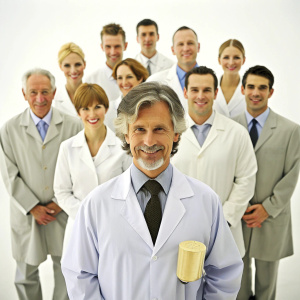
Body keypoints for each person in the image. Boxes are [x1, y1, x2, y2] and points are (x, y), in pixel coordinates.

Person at [61, 81, 243, 300]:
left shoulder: (205, 201)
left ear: (176, 133)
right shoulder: (96, 204)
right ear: (126, 135)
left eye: (159, 129)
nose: (149, 141)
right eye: (139, 129)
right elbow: (80, 275)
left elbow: (224, 273)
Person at [0, 68, 82, 300]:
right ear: (24, 94)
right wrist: (32, 207)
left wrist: (59, 203)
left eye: (45, 91)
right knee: (25, 274)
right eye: (33, 92)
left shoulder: (73, 126)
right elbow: (9, 175)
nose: (39, 98)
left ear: (54, 92)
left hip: (62, 212)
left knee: (66, 271)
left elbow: (79, 169)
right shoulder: (9, 129)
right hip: (26, 215)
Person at [172, 66, 257, 256]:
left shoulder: (236, 133)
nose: (200, 96)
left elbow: (246, 180)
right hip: (177, 229)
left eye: (207, 90)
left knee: (224, 283)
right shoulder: (169, 132)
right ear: (185, 92)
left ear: (215, 93)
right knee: (181, 283)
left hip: (224, 232)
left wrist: (224, 220)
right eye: (194, 90)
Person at [234, 65, 300, 300]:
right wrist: (235, 206)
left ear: (271, 92)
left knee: (266, 288)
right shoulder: (230, 127)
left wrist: (267, 208)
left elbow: (291, 176)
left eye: (262, 88)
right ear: (242, 89)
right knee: (237, 285)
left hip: (270, 218)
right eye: (251, 86)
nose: (255, 92)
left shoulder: (291, 130)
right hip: (238, 217)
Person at [54, 83, 131, 251]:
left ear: (106, 108)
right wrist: (86, 215)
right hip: (79, 228)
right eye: (85, 109)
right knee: (80, 274)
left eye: (97, 107)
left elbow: (131, 191)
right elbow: (62, 192)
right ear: (78, 112)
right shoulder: (67, 148)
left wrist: (108, 216)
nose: (92, 114)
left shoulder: (122, 148)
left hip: (114, 226)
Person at [147, 26, 200, 111]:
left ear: (198, 47)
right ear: (173, 50)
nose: (186, 48)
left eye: (190, 43)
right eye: (180, 44)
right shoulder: (155, 81)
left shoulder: (212, 81)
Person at [86, 23, 128, 101]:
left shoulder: (138, 77)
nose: (113, 52)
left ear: (125, 46)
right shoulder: (91, 81)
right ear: (102, 47)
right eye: (108, 46)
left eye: (117, 46)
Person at [105, 58, 148, 131]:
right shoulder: (109, 109)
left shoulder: (151, 105)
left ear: (140, 78)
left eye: (129, 77)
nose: (124, 82)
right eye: (120, 78)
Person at [213, 39, 246, 118]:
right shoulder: (209, 86)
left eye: (236, 57)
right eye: (226, 57)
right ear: (219, 60)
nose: (231, 62)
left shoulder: (250, 89)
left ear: (243, 60)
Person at [53, 42, 86, 117]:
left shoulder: (95, 95)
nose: (73, 71)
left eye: (77, 64)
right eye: (67, 65)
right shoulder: (54, 100)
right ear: (61, 67)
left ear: (84, 64)